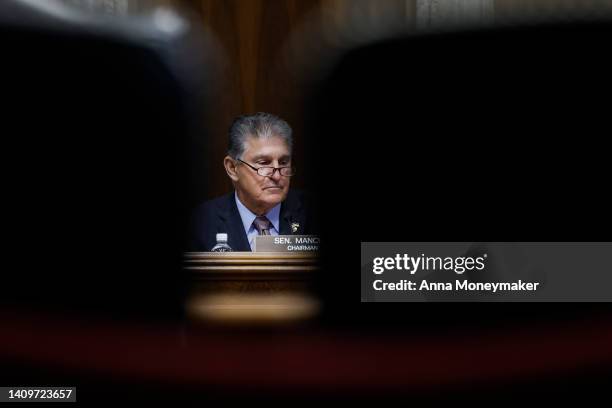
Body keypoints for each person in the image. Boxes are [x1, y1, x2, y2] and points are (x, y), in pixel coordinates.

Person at [191, 112, 314, 251]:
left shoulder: (310, 213)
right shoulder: (200, 223)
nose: (277, 176)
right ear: (232, 168)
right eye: (263, 163)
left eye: (283, 162)